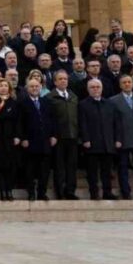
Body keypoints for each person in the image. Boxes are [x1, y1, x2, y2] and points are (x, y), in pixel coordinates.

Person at [78, 79, 118, 200]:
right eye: (92, 87)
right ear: (88, 89)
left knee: (107, 171)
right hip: (91, 144)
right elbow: (82, 123)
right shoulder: (83, 104)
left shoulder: (109, 104)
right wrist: (85, 139)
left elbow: (115, 123)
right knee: (92, 172)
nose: (95, 89)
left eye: (98, 87)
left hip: (107, 143)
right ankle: (94, 193)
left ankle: (107, 192)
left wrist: (116, 139)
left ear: (102, 88)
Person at [18, 79, 56, 201]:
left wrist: (54, 135)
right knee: (30, 169)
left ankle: (41, 192)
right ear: (27, 88)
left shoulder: (46, 102)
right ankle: (31, 192)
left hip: (45, 141)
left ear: (40, 87)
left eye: (36, 86)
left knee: (44, 170)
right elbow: (19, 123)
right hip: (30, 141)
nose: (34, 88)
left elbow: (53, 120)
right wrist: (23, 138)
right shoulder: (22, 103)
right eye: (32, 86)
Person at [47, 71, 80, 200]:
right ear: (55, 82)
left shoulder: (73, 96)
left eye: (65, 79)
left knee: (72, 166)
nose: (63, 81)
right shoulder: (50, 97)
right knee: (59, 166)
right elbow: (49, 118)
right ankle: (59, 191)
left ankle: (70, 191)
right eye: (60, 79)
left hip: (73, 135)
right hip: (58, 137)